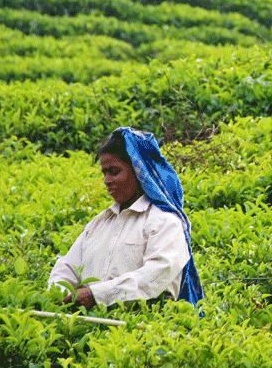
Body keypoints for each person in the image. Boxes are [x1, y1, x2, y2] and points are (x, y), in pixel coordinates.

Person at [48, 127, 203, 309]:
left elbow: (157, 274)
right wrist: (60, 292)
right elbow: (67, 266)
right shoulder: (100, 222)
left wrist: (97, 295)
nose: (107, 180)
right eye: (104, 173)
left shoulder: (165, 222)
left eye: (114, 172)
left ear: (139, 171)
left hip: (141, 329)